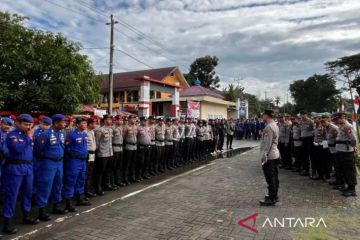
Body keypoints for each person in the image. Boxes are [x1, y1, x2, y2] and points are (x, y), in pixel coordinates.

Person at [2, 114, 39, 235]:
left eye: (30, 125)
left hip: (28, 167)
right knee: (11, 195)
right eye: (26, 124)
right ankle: (7, 222)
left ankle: (26, 215)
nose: (28, 127)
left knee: (27, 193)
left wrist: (28, 137)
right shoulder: (13, 135)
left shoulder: (27, 135)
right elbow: (17, 149)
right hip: (15, 169)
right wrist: (29, 138)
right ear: (18, 123)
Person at [34, 114, 68, 221]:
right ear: (56, 123)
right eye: (62, 122)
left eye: (65, 122)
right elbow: (37, 151)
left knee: (58, 185)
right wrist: (46, 159)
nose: (64, 124)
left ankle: (56, 205)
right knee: (45, 185)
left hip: (59, 163)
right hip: (48, 163)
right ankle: (42, 210)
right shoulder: (45, 134)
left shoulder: (62, 133)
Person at [63, 117, 91, 210]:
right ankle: (68, 202)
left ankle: (80, 198)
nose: (85, 124)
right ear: (78, 124)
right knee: (71, 180)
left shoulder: (84, 134)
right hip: (74, 161)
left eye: (86, 123)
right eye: (83, 123)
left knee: (81, 179)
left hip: (82, 160)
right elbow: (66, 149)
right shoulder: (71, 135)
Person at [259, 109, 280, 206]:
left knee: (270, 177)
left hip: (269, 156)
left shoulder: (269, 127)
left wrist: (264, 156)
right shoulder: (274, 125)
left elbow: (268, 143)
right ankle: (274, 195)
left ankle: (271, 198)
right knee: (274, 176)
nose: (262, 116)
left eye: (263, 115)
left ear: (266, 116)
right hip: (274, 154)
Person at [333, 112, 357, 197]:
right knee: (343, 170)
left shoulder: (348, 126)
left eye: (337, 119)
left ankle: (352, 189)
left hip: (347, 152)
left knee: (349, 171)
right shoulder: (341, 126)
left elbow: (353, 139)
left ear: (342, 118)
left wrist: (353, 148)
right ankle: (347, 186)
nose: (336, 121)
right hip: (340, 151)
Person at [94, 114, 113, 195]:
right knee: (100, 171)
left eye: (111, 120)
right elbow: (97, 143)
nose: (110, 121)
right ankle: (98, 187)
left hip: (109, 152)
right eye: (109, 119)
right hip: (102, 153)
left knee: (108, 170)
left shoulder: (110, 130)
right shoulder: (99, 130)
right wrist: (98, 152)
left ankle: (107, 185)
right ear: (105, 120)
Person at [85, 116, 98, 198]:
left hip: (93, 155)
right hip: (88, 155)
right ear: (90, 124)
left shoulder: (92, 132)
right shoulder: (85, 132)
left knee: (90, 174)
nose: (96, 124)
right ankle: (85, 191)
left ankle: (89, 189)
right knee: (86, 174)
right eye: (94, 123)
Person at [123, 115, 138, 182]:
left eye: (134, 119)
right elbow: (123, 137)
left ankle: (132, 176)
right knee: (127, 163)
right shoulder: (126, 127)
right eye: (132, 119)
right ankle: (126, 178)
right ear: (129, 120)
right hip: (128, 147)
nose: (133, 120)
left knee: (134, 162)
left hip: (134, 147)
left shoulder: (136, 127)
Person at [112, 115, 125, 187]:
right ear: (115, 120)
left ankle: (118, 181)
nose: (121, 121)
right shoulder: (112, 128)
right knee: (114, 166)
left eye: (121, 120)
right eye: (119, 120)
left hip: (120, 148)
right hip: (115, 148)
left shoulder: (121, 128)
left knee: (119, 166)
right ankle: (113, 182)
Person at [299, 111, 314, 176]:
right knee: (304, 155)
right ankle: (306, 169)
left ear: (306, 115)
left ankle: (313, 170)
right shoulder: (301, 122)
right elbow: (301, 130)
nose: (302, 116)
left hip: (309, 139)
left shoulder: (310, 121)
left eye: (303, 115)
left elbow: (313, 130)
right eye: (301, 115)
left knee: (310, 155)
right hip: (303, 139)